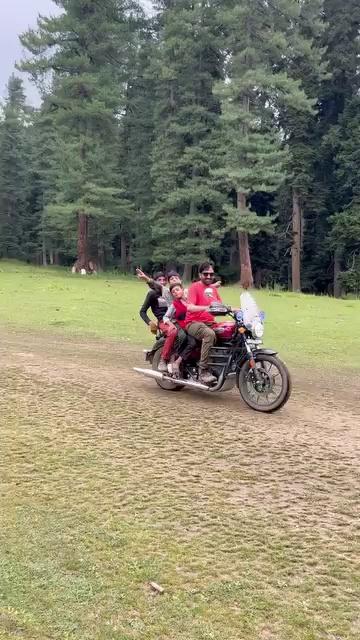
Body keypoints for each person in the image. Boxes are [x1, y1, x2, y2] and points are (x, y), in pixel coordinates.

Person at [185, 261, 223, 385]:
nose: (208, 276)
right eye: (205, 274)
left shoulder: (213, 289)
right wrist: (205, 308)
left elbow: (219, 306)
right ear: (200, 274)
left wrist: (237, 309)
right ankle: (203, 371)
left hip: (210, 323)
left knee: (230, 331)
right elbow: (190, 307)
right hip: (193, 323)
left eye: (211, 274)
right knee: (209, 334)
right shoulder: (194, 287)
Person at [139, 271, 178, 373]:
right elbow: (142, 311)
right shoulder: (152, 294)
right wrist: (150, 323)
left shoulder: (170, 292)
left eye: (164, 280)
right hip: (163, 321)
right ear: (155, 281)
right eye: (159, 280)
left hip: (175, 319)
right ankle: (163, 360)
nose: (162, 282)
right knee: (172, 331)